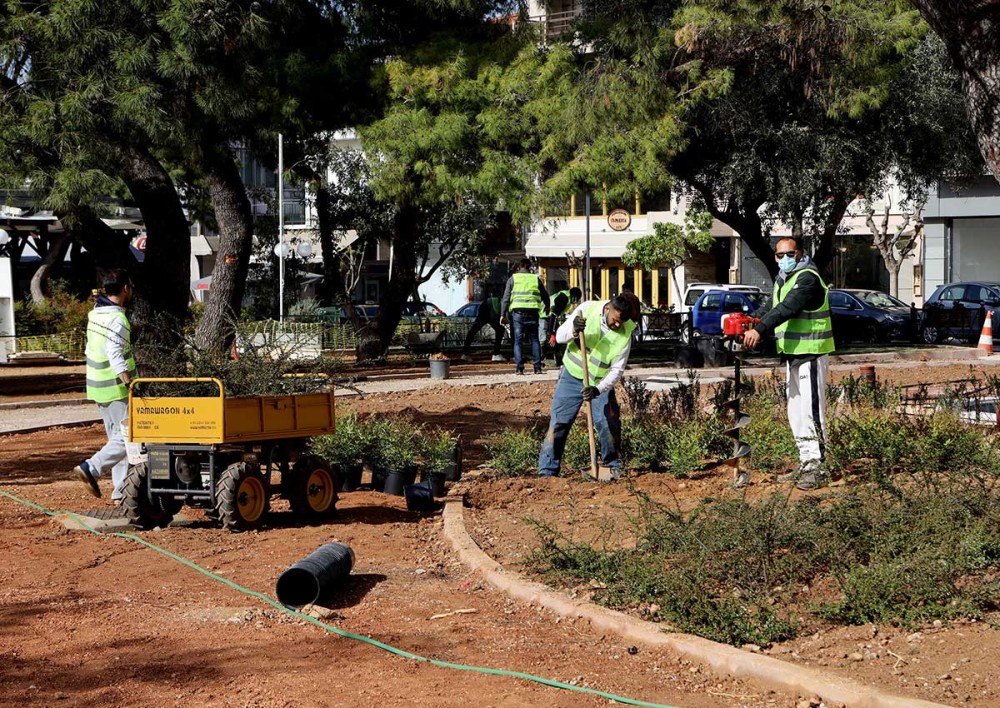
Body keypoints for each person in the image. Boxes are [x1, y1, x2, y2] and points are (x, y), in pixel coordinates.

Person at [742, 237, 835, 491]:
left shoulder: (808, 278)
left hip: (812, 354)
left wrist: (759, 330)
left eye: (789, 253)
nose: (784, 258)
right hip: (793, 355)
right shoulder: (783, 278)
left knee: (812, 412)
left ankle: (819, 466)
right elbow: (773, 306)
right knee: (795, 413)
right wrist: (751, 319)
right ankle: (806, 462)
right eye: (780, 254)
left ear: (800, 253)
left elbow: (788, 308)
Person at [538, 295, 635, 477]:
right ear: (608, 309)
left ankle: (612, 466)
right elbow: (559, 336)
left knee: (607, 422)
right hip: (572, 376)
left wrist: (598, 389)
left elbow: (617, 370)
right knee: (559, 423)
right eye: (615, 321)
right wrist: (574, 330)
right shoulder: (587, 309)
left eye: (621, 322)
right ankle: (547, 471)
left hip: (599, 383)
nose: (617, 326)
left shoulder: (625, 334)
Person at [72, 269, 138, 502]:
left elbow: (90, 350)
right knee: (129, 437)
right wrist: (130, 383)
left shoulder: (96, 314)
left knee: (117, 440)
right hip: (116, 387)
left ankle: (121, 491)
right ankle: (92, 468)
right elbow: (115, 354)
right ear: (125, 289)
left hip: (98, 387)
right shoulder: (117, 319)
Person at [500, 258, 549, 375]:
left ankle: (519, 368)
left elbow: (506, 298)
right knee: (535, 340)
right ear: (530, 267)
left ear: (519, 267)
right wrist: (547, 306)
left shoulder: (513, 279)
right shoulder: (535, 279)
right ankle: (537, 367)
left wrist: (502, 314)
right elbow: (545, 295)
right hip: (533, 313)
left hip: (518, 314)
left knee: (518, 341)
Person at [460, 295, 507, 362]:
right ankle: (496, 353)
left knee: (473, 330)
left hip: (486, 304)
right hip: (493, 308)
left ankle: (465, 353)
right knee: (500, 330)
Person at [544, 286, 582, 365]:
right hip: (545, 315)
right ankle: (549, 359)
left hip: (549, 316)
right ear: (574, 297)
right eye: (576, 300)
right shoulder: (563, 298)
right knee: (550, 339)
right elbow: (554, 316)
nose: (575, 302)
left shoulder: (566, 296)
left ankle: (557, 360)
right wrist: (553, 334)